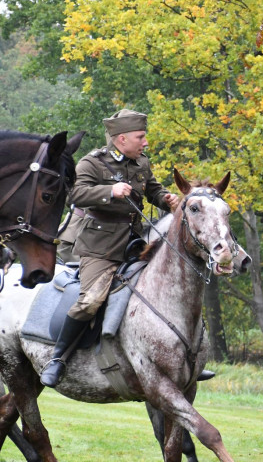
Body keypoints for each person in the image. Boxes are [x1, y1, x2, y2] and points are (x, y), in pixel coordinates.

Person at [40, 109, 179, 388]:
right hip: (99, 247)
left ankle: (177, 361)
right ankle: (58, 358)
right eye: (141, 137)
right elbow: (76, 195)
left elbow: (153, 190)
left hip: (135, 243)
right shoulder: (93, 162)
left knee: (169, 289)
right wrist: (109, 192)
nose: (146, 142)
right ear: (121, 138)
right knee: (91, 301)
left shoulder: (141, 163)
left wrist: (168, 199)